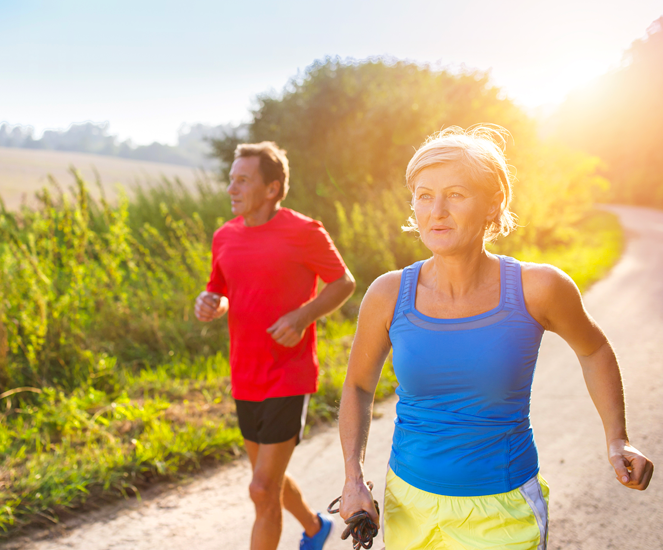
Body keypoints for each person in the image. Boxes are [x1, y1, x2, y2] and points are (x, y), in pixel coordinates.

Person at [337, 125, 654, 550]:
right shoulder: (389, 293)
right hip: (407, 505)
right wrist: (353, 478)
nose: (437, 211)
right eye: (425, 195)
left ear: (493, 204)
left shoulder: (537, 288)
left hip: (503, 509)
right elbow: (358, 385)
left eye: (456, 194)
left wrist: (618, 436)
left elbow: (593, 349)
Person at [195, 141, 356, 550]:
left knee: (262, 488)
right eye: (231, 180)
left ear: (272, 188)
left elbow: (344, 282)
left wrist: (302, 317)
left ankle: (311, 530)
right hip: (244, 374)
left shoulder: (304, 232)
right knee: (266, 482)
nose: (231, 188)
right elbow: (221, 291)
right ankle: (315, 528)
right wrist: (210, 303)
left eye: (242, 180)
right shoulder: (224, 237)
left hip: (288, 372)